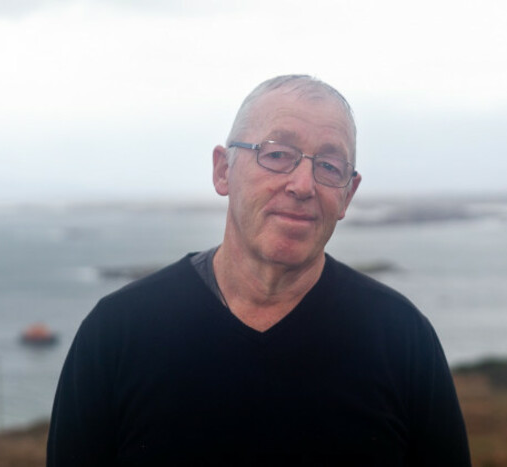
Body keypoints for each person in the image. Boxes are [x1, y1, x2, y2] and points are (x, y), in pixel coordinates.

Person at [47, 75, 471, 466]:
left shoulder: (402, 339)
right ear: (223, 170)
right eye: (277, 154)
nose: (303, 185)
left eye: (328, 166)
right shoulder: (117, 334)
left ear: (347, 194)